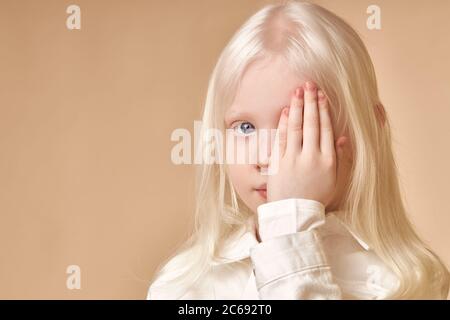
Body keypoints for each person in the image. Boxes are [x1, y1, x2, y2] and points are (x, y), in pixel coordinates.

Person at [148, 1, 449, 299]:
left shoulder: (414, 284)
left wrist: (289, 227)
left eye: (295, 126)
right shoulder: (184, 287)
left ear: (368, 130)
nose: (266, 158)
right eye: (245, 128)